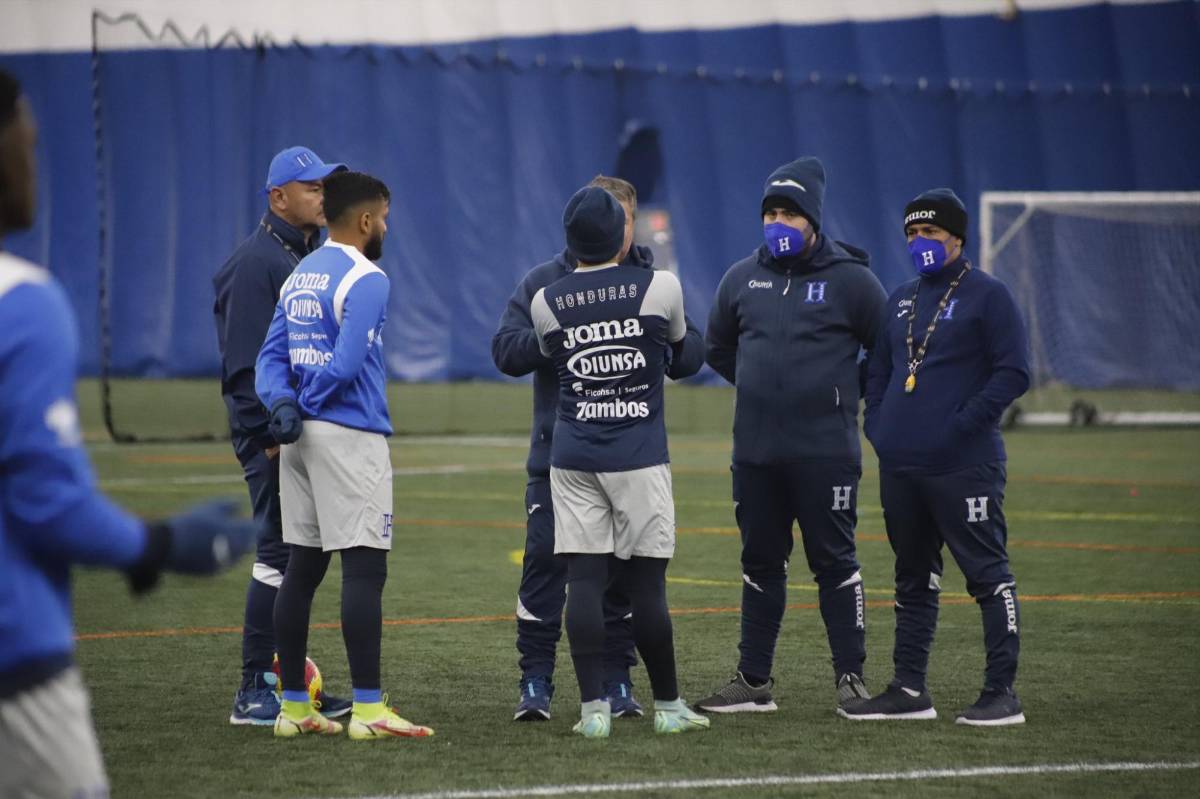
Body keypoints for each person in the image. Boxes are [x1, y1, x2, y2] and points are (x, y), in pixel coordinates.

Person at [0, 67, 257, 798]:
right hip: (16, 656)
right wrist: (158, 546)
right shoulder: (22, 304)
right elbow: (47, 504)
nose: (32, 159)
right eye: (26, 138)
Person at [492, 175, 704, 721]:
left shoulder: (649, 283)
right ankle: (535, 681)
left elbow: (686, 354)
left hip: (579, 454)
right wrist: (572, 336)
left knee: (614, 584)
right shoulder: (544, 285)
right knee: (546, 570)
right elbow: (507, 350)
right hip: (566, 456)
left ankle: (613, 686)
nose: (624, 228)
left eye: (629, 217)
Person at [698, 156, 888, 714]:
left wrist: (838, 392)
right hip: (755, 454)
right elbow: (717, 347)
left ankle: (851, 679)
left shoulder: (852, 281)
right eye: (771, 212)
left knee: (835, 562)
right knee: (760, 563)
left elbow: (886, 352)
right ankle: (753, 681)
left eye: (789, 213)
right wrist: (763, 386)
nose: (778, 222)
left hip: (825, 453)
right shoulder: (741, 278)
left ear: (813, 220)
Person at [256, 169, 433, 741]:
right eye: (382, 217)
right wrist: (304, 402)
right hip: (348, 435)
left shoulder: (301, 272)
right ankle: (368, 711)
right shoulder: (369, 277)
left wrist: (283, 405)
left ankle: (293, 709)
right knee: (363, 568)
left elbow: (270, 357)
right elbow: (348, 364)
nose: (385, 227)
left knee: (302, 569)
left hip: (299, 441)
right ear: (364, 220)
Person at [841, 188, 1030, 725]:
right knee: (913, 578)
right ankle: (908, 689)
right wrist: (877, 424)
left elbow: (1013, 372)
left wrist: (962, 425)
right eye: (912, 234)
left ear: (956, 237)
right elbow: (877, 369)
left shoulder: (988, 296)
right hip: (902, 468)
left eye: (930, 233)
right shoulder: (900, 298)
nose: (920, 242)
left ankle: (1001, 693)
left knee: (988, 576)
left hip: (963, 465)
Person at [213, 145, 354, 726]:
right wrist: (267, 435)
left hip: (295, 430)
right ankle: (254, 689)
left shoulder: (302, 255)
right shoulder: (259, 262)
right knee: (277, 551)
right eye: (312, 188)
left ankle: (289, 684)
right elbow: (244, 367)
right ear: (278, 197)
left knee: (304, 553)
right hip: (271, 434)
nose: (324, 196)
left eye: (326, 187)